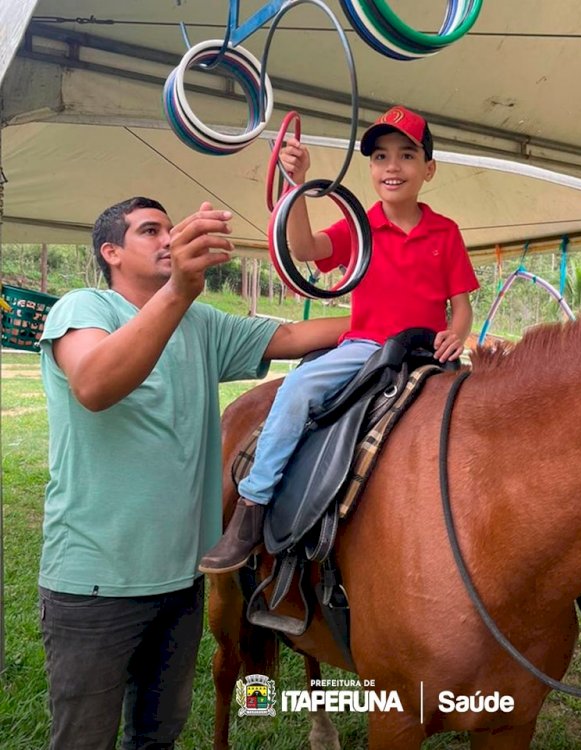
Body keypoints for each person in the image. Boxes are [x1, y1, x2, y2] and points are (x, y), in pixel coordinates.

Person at [38, 196, 348, 750]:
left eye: (170, 228)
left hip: (181, 580)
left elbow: (294, 339)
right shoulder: (82, 308)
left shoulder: (199, 322)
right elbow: (93, 385)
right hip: (94, 583)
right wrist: (180, 289)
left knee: (159, 735)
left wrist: (409, 314)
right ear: (111, 252)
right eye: (149, 230)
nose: (166, 238)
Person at [199, 105, 480, 574]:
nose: (393, 167)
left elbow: (462, 304)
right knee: (298, 389)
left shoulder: (445, 232)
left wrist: (457, 333)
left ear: (428, 169)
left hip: (426, 352)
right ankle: (252, 507)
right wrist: (297, 184)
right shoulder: (359, 226)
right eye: (381, 157)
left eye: (407, 155)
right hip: (366, 346)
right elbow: (306, 249)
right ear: (370, 168)